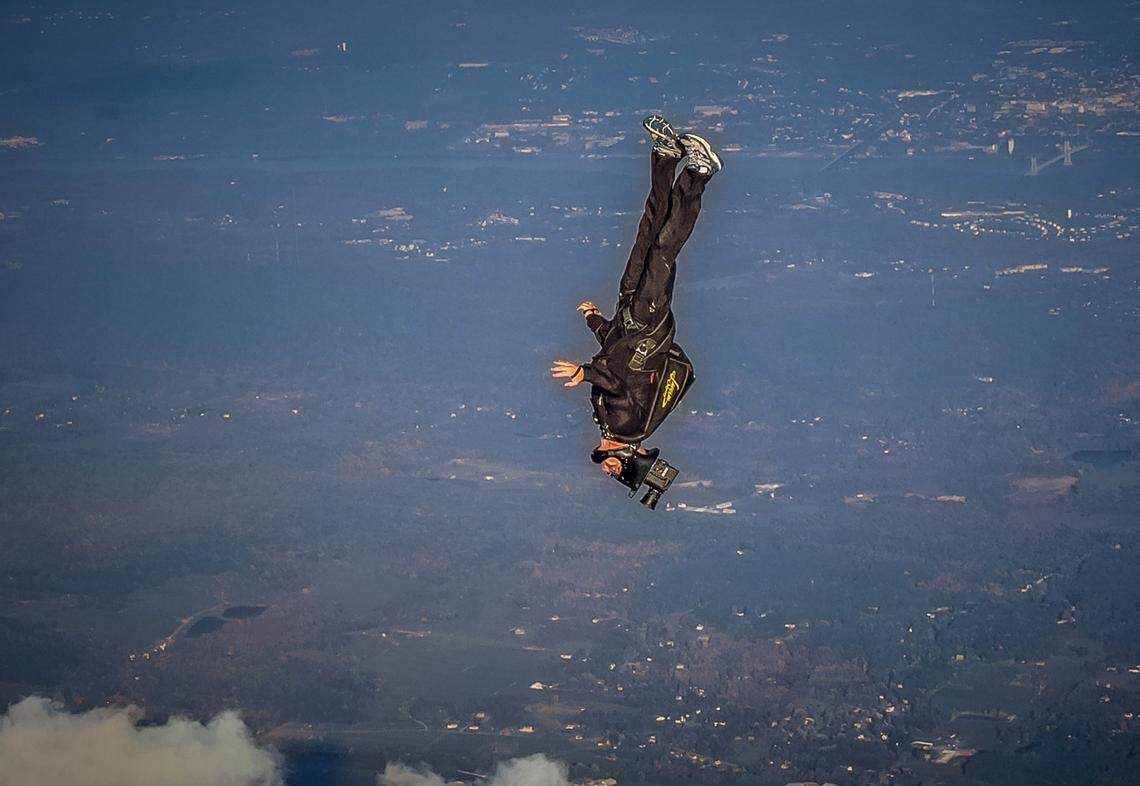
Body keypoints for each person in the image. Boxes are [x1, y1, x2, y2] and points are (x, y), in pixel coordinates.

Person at [550, 115, 721, 498]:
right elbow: (619, 378)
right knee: (663, 250)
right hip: (646, 325)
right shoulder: (628, 427)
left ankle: (665, 158)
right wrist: (585, 372)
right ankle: (699, 172)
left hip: (629, 316)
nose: (606, 468)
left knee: (647, 234)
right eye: (616, 471)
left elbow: (613, 355)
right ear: (633, 458)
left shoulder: (609, 425)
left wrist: (594, 320)